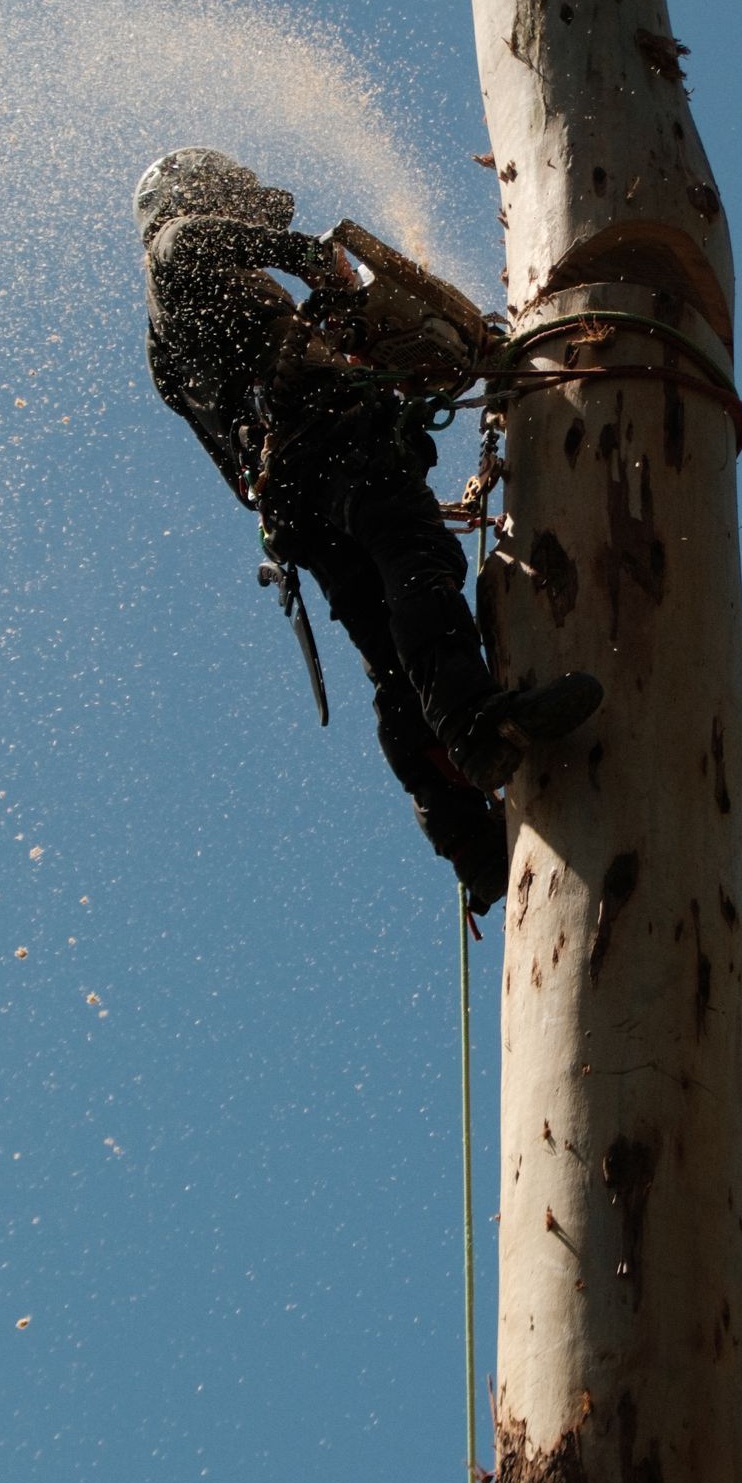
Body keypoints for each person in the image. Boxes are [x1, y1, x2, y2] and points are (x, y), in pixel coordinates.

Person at [135, 147, 601, 912]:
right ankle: (477, 723)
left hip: (289, 502)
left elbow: (228, 463)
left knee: (388, 658)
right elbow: (245, 246)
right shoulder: (178, 244)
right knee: (416, 563)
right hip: (334, 450)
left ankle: (469, 845)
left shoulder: (164, 345)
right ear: (193, 195)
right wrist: (321, 271)